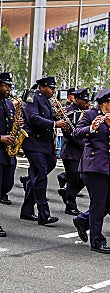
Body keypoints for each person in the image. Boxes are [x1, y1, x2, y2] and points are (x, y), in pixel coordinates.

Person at [72, 88, 110, 254]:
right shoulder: (89, 114)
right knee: (98, 202)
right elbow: (76, 133)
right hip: (93, 166)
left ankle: (83, 220)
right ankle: (97, 240)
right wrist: (92, 129)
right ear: (104, 103)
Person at [20, 76, 69, 225]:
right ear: (42, 87)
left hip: (45, 144)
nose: (53, 91)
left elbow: (47, 117)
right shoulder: (32, 97)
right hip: (33, 142)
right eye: (51, 88)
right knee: (40, 175)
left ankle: (27, 210)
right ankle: (43, 214)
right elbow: (34, 118)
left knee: (41, 172)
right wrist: (55, 123)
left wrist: (57, 116)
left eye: (54, 88)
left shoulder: (47, 100)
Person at [59, 88, 90, 215]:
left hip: (83, 152)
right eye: (84, 100)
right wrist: (84, 144)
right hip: (71, 151)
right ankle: (70, 204)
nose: (87, 103)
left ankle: (67, 193)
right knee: (74, 179)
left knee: (82, 178)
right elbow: (68, 133)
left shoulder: (86, 112)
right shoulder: (68, 112)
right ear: (77, 100)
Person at [0, 73, 17, 207]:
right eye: (6, 86)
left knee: (7, 185)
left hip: (8, 155)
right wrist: (0, 138)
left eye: (10, 86)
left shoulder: (9, 104)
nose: (9, 89)